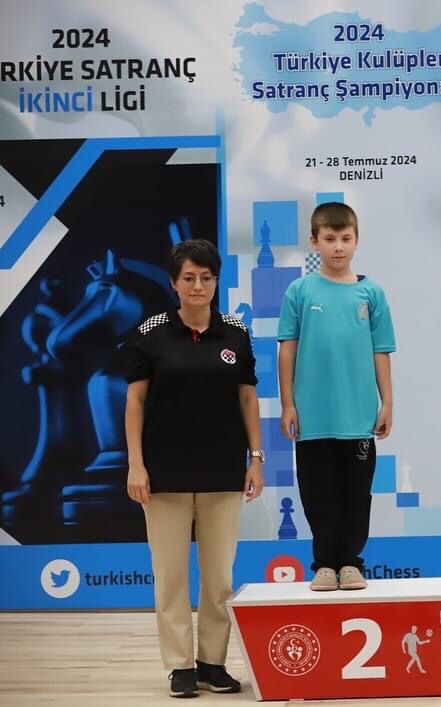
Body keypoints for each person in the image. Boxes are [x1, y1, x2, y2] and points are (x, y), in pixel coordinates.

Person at [124, 239, 264, 698]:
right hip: (164, 476)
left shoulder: (236, 333)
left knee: (219, 577)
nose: (198, 286)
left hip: (223, 473)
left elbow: (248, 398)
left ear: (216, 281)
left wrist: (256, 458)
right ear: (174, 283)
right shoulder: (150, 332)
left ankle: (212, 663)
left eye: (206, 277)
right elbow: (135, 401)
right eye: (189, 278)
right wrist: (136, 465)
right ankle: (180, 666)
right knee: (170, 576)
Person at [278, 202, 395, 591]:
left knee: (356, 494)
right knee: (318, 493)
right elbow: (287, 350)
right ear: (315, 242)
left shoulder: (371, 292)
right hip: (312, 419)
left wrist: (387, 402)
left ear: (357, 240)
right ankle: (324, 564)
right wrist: (288, 404)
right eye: (330, 239)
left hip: (358, 418)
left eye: (345, 238)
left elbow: (381, 351)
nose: (338, 246)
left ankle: (351, 563)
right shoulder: (299, 291)